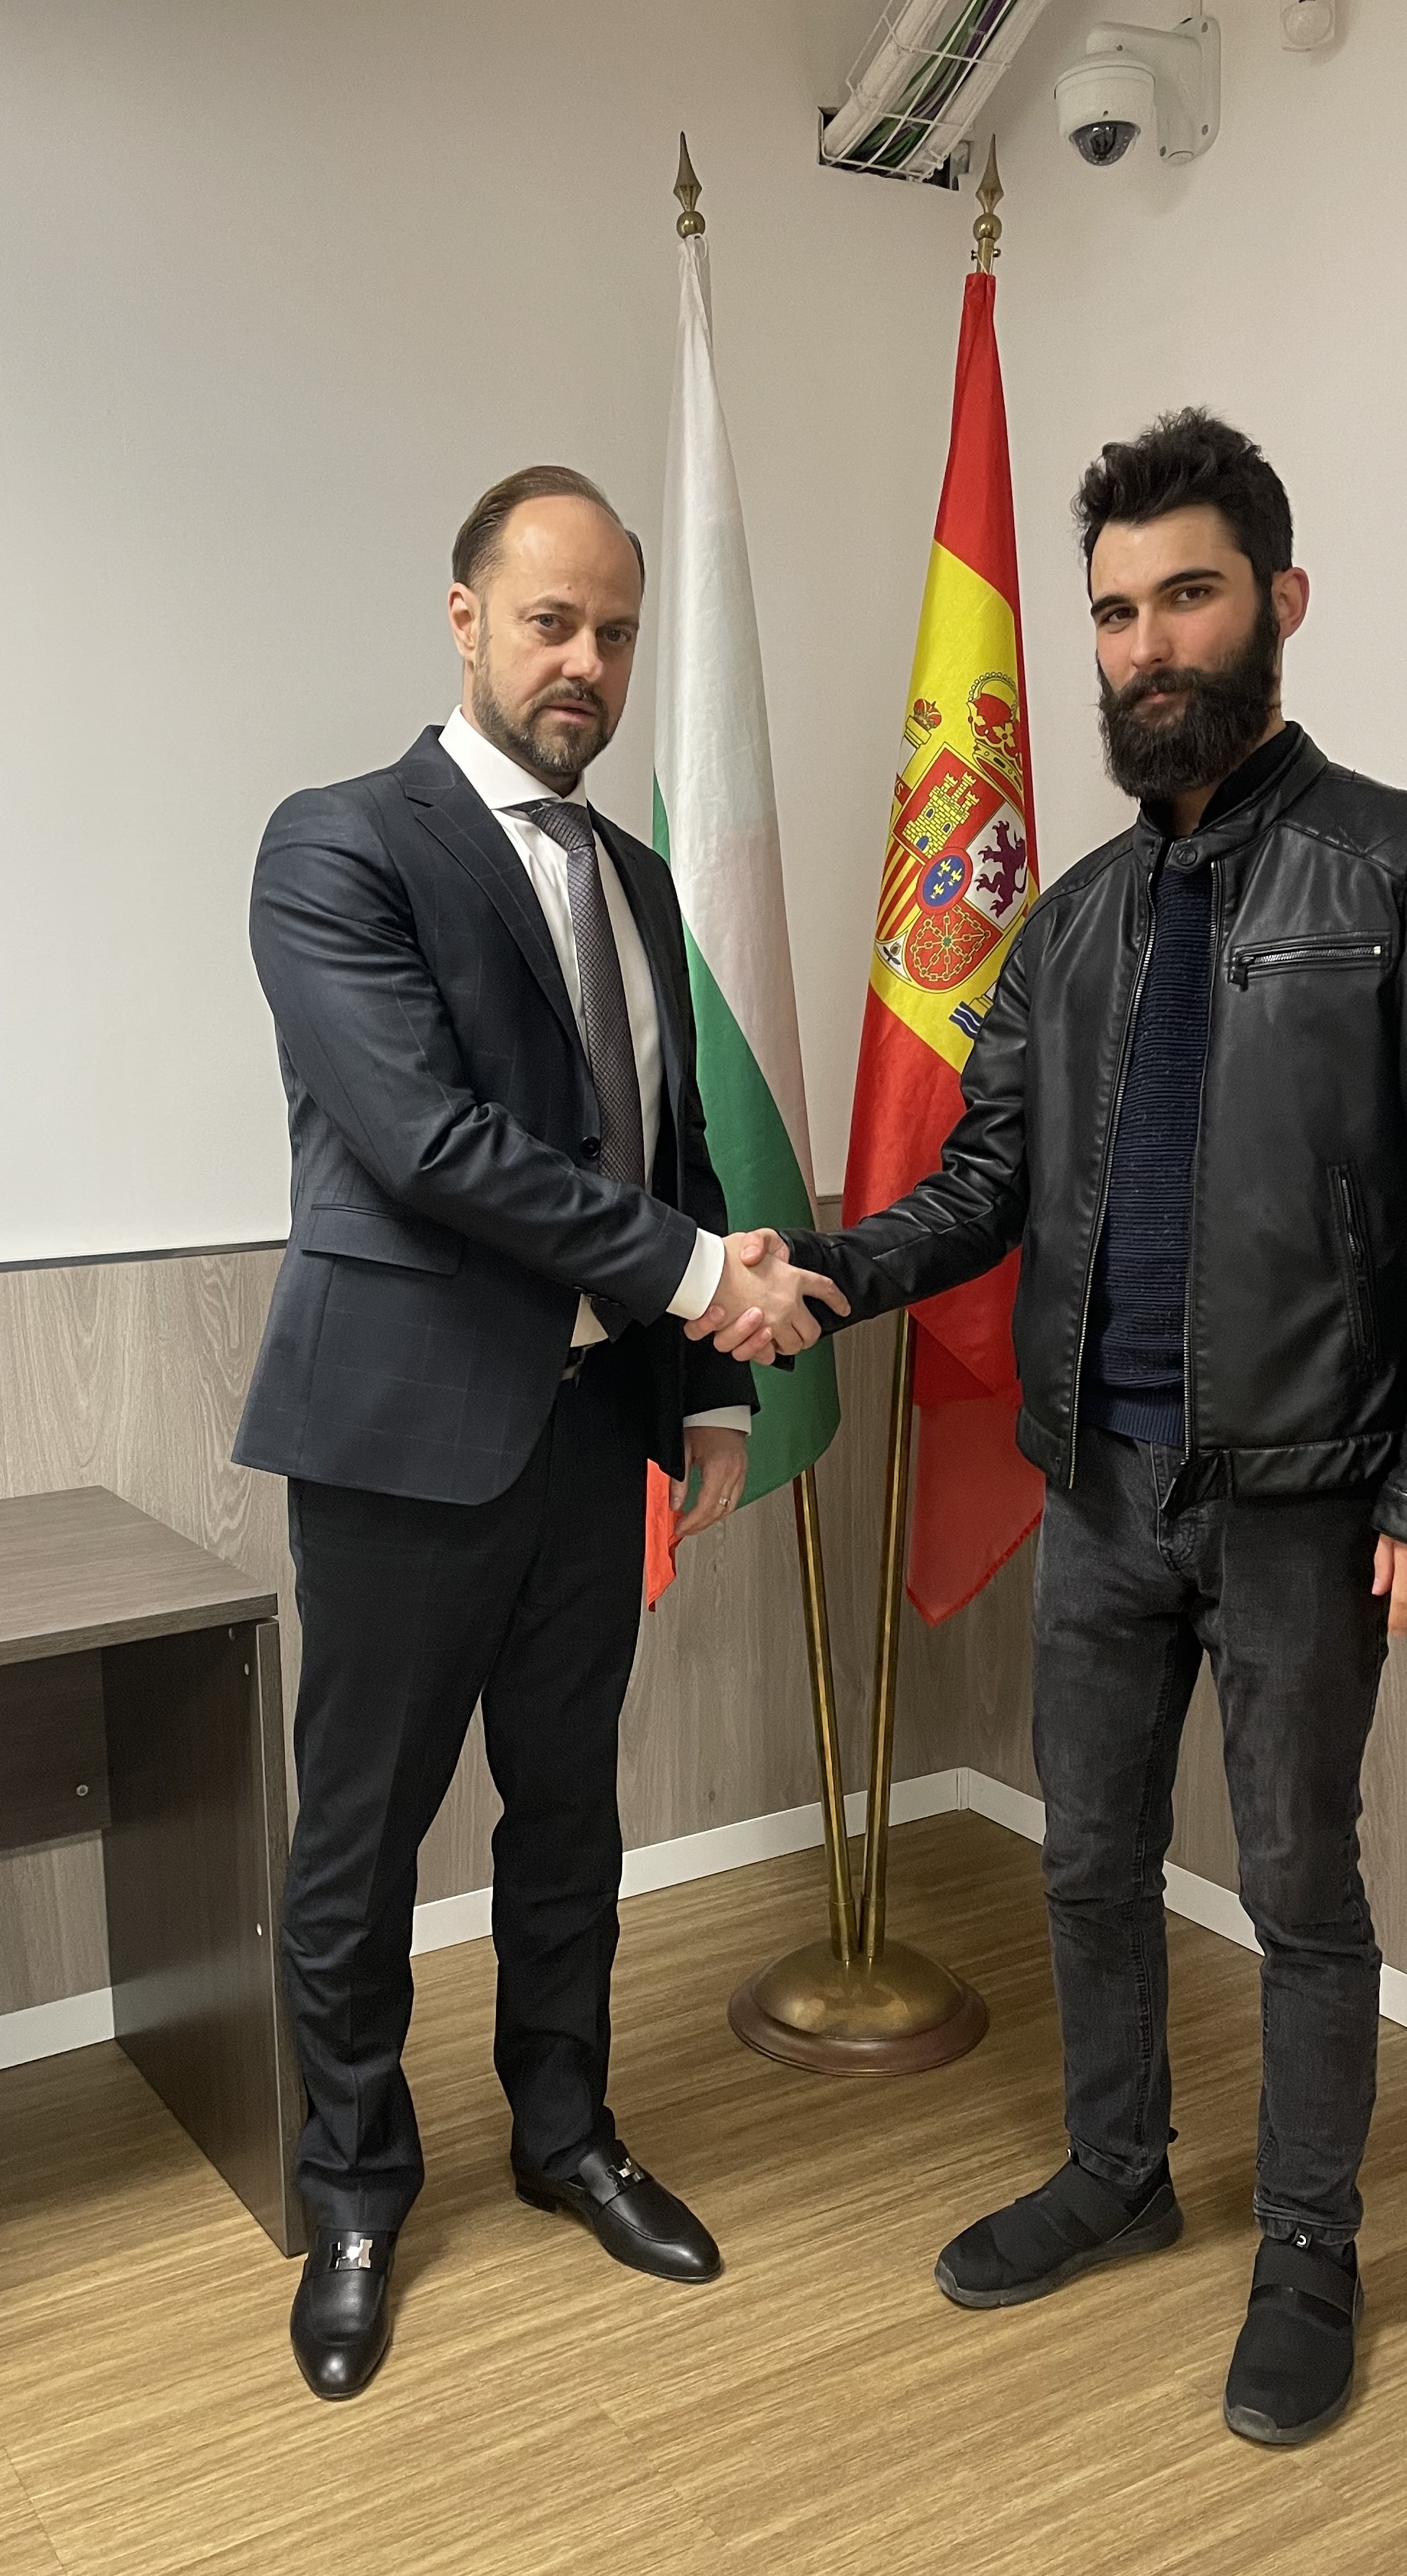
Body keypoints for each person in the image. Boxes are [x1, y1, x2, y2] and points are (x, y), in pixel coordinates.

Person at [694, 410, 1407, 2446]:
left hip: (1302, 1496)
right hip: (1097, 1487)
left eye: (1187, 596)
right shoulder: (1069, 917)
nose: (1145, 646)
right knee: (1087, 1859)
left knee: (1299, 1888)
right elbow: (985, 1181)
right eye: (1111, 614)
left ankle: (1311, 2249)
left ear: (1280, 603)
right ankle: (1118, 2166)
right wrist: (826, 1270)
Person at [235, 464, 844, 2400]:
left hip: (596, 1434)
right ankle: (353, 2193)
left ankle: (565, 2131)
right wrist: (710, 1281)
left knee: (569, 1812)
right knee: (360, 1843)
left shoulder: (638, 880)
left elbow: (669, 1147)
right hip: (404, 1442)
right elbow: (432, 1145)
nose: (585, 661)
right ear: (465, 618)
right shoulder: (339, 845)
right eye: (550, 620)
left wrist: (710, 1383)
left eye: (616, 634)